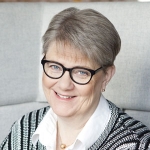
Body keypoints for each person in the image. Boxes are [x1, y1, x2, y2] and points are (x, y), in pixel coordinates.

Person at [0, 7, 150, 150]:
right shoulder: (25, 127)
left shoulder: (137, 144)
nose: (64, 85)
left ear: (107, 76)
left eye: (81, 72)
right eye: (55, 67)